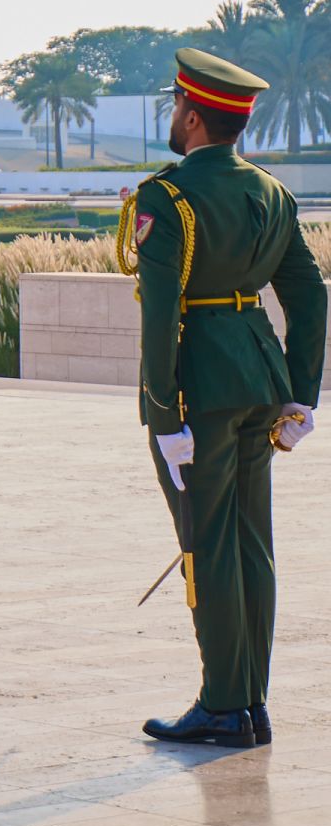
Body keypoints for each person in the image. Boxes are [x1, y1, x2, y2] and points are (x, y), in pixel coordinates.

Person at [129, 47, 329, 749]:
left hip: (202, 395)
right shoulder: (270, 193)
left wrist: (162, 418)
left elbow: (159, 319)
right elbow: (309, 296)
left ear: (190, 113)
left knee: (208, 545)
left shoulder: (168, 197)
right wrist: (300, 397)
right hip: (262, 383)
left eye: (174, 107)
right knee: (251, 544)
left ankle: (221, 705)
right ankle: (250, 704)